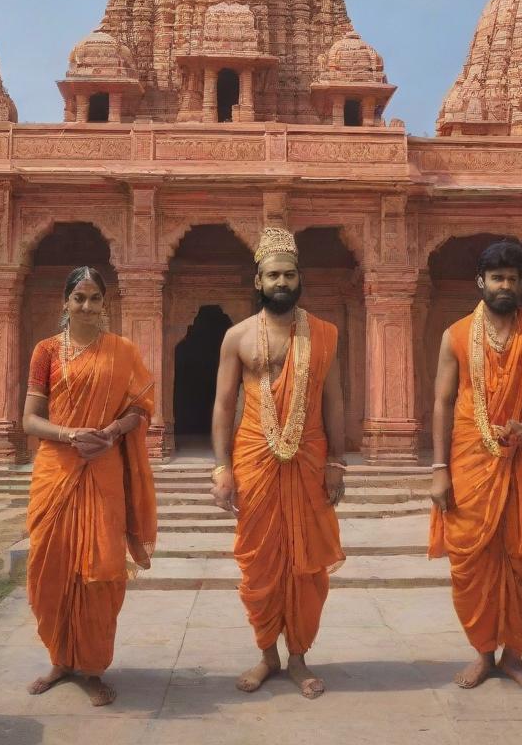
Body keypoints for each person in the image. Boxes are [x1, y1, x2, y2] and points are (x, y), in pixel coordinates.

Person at [209, 228, 346, 699]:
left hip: (309, 460)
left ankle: (299, 659)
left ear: (299, 277)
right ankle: (268, 655)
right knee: (261, 564)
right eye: (273, 274)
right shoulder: (238, 337)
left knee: (307, 566)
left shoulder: (325, 334)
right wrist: (221, 468)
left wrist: (338, 462)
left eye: (288, 273)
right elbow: (224, 406)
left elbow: (333, 401)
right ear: (258, 281)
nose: (281, 281)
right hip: (254, 458)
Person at [428, 239, 522, 694]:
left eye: (512, 278)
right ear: (481, 282)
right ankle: (482, 653)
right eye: (497, 278)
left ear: (521, 282)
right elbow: (443, 402)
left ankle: (514, 657)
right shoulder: (455, 335)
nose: (505, 285)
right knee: (472, 563)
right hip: (470, 459)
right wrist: (438, 468)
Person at [21, 265, 157, 707]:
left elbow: (141, 409)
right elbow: (30, 418)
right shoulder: (45, 351)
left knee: (101, 570)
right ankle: (61, 661)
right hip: (57, 469)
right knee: (51, 568)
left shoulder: (122, 351)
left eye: (94, 298)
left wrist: (113, 431)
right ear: (65, 302)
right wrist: (70, 434)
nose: (86, 305)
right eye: (78, 297)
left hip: (103, 469)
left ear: (105, 304)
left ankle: (94, 668)